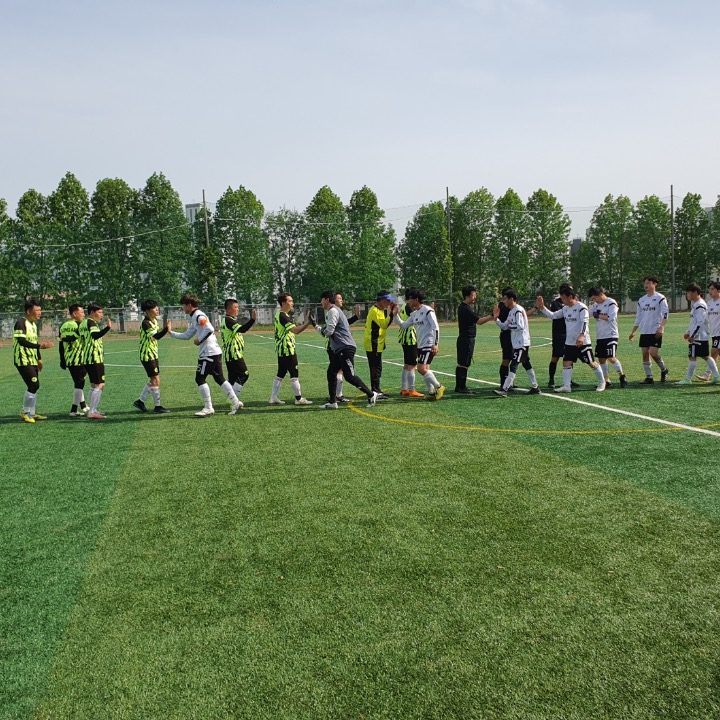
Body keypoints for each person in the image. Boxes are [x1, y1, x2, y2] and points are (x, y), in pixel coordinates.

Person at [169, 293, 242, 417]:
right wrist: (171, 333)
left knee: (200, 378)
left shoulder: (198, 315)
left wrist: (200, 340)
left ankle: (208, 407)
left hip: (208, 353)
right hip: (213, 352)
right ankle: (235, 402)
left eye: (183, 305)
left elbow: (209, 329)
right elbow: (187, 335)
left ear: (189, 305)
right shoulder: (195, 317)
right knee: (219, 379)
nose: (183, 308)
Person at [535, 286, 606, 392]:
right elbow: (553, 316)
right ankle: (567, 386)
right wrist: (542, 308)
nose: (562, 300)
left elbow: (585, 322)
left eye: (563, 298)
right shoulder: (565, 308)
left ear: (570, 297)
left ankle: (602, 382)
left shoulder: (581, 307)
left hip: (583, 342)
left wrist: (582, 336)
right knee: (566, 362)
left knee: (591, 362)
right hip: (570, 342)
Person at [316, 290, 378, 409]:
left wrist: (319, 329)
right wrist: (317, 327)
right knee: (331, 373)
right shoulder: (334, 311)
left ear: (327, 299)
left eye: (322, 300)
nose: (321, 302)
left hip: (345, 347)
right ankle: (333, 402)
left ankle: (371, 394)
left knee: (349, 376)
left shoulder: (333, 311)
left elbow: (329, 331)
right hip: (340, 349)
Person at [395, 289, 445, 400]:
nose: (408, 301)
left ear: (416, 299)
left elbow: (435, 327)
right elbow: (403, 325)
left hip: (429, 343)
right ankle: (432, 392)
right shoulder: (414, 313)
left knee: (421, 368)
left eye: (410, 299)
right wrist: (395, 315)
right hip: (420, 345)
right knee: (426, 367)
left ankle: (439, 387)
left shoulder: (428, 310)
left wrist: (435, 344)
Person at [491, 289, 539, 396]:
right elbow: (504, 326)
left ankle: (504, 389)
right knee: (526, 364)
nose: (503, 301)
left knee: (513, 365)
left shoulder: (517, 310)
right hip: (517, 343)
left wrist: (509, 326)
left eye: (505, 299)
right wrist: (496, 319)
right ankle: (535, 387)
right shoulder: (512, 311)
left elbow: (520, 326)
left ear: (511, 299)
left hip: (522, 343)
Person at [13, 299, 53, 423]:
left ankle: (32, 413)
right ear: (29, 311)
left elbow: (34, 343)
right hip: (22, 360)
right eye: (37, 310)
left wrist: (39, 359)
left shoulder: (34, 324)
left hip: (32, 359)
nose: (40, 313)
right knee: (33, 384)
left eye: (40, 310)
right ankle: (25, 412)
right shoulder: (21, 322)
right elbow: (21, 341)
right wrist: (40, 346)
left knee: (34, 386)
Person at [269, 292, 313, 406]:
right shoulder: (283, 315)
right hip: (287, 349)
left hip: (282, 349)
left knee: (281, 373)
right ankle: (298, 399)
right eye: (290, 301)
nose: (292, 303)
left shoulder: (281, 315)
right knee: (294, 374)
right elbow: (296, 331)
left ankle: (273, 397)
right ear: (283, 303)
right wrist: (308, 323)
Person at [676, 283, 720, 385]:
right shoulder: (697, 304)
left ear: (695, 293)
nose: (687, 295)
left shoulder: (700, 305)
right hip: (702, 335)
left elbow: (700, 322)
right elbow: (694, 321)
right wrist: (688, 332)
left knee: (693, 356)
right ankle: (716, 376)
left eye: (688, 292)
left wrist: (692, 335)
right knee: (706, 356)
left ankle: (687, 379)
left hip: (698, 336)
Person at [628, 276, 669, 384]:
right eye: (645, 283)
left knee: (653, 353)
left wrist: (661, 327)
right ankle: (649, 377)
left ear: (655, 284)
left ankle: (664, 370)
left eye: (648, 283)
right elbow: (638, 317)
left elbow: (665, 314)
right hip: (644, 331)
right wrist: (633, 331)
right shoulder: (642, 300)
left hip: (655, 330)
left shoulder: (661, 298)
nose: (646, 285)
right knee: (645, 353)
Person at [133, 299, 171, 413]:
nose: (157, 309)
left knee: (154, 379)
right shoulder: (146, 323)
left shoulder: (154, 320)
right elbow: (155, 337)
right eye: (155, 308)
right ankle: (157, 406)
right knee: (155, 379)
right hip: (147, 354)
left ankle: (140, 401)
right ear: (148, 311)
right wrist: (166, 329)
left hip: (153, 353)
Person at [588, 287, 628, 388]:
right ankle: (606, 380)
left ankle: (622, 376)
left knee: (611, 357)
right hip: (600, 336)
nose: (594, 300)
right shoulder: (595, 305)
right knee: (601, 359)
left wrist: (598, 315)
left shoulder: (611, 303)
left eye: (594, 298)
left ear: (600, 294)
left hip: (611, 335)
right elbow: (587, 314)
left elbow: (611, 317)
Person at [221, 298, 257, 407]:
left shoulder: (230, 319)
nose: (237, 309)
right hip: (233, 354)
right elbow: (242, 329)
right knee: (244, 374)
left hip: (231, 355)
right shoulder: (228, 320)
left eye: (238, 307)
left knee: (232, 379)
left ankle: (232, 400)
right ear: (228, 309)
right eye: (235, 307)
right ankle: (234, 401)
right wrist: (252, 320)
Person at [325, 292, 361, 403]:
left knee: (337, 371)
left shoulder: (337, 312)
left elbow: (345, 324)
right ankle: (337, 396)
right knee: (340, 371)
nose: (341, 300)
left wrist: (355, 317)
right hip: (336, 346)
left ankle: (336, 396)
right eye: (339, 298)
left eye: (341, 299)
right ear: (334, 300)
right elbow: (335, 328)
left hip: (338, 345)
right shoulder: (333, 312)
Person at [79, 303, 112, 419]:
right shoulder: (90, 322)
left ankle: (92, 409)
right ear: (92, 312)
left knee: (94, 385)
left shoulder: (83, 323)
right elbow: (95, 335)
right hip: (94, 357)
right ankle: (92, 411)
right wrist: (107, 328)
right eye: (99, 312)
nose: (101, 314)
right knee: (100, 385)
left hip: (88, 357)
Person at [58, 303, 89, 417]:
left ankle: (84, 406)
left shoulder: (63, 326)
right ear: (75, 313)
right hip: (80, 358)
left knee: (78, 382)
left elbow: (61, 344)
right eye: (82, 312)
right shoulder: (79, 325)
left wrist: (62, 359)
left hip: (69, 359)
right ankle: (73, 410)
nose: (83, 315)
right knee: (79, 384)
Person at [364, 291, 396, 398]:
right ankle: (375, 391)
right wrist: (392, 313)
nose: (389, 302)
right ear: (382, 300)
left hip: (377, 343)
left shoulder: (380, 310)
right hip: (373, 344)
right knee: (375, 368)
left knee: (377, 368)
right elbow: (384, 324)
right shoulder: (375, 311)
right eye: (387, 300)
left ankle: (377, 390)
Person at [454, 285, 484, 394]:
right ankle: (461, 387)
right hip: (466, 339)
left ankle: (460, 386)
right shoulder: (465, 308)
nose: (475, 297)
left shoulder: (463, 307)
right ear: (468, 296)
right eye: (473, 295)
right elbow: (479, 321)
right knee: (464, 363)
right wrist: (492, 316)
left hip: (465, 339)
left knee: (463, 363)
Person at [398, 289, 423, 398]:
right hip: (410, 337)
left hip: (403, 337)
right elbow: (416, 318)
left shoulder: (403, 306)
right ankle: (412, 389)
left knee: (407, 365)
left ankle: (404, 388)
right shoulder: (410, 307)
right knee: (412, 365)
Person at [696, 281, 720, 381]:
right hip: (714, 333)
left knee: (713, 352)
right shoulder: (709, 303)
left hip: (719, 333)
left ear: (718, 290)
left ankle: (707, 374)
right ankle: (710, 374)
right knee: (715, 354)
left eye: (712, 289)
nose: (710, 291)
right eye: (709, 289)